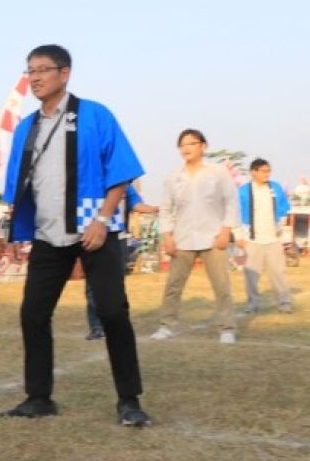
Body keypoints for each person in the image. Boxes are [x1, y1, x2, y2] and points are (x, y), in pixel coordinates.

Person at [0, 44, 150, 426]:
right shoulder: (26, 128)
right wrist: (15, 232)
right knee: (33, 313)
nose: (34, 77)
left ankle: (129, 400)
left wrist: (102, 218)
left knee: (113, 312)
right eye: (29, 70)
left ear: (64, 73)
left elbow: (121, 172)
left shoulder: (96, 115)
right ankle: (39, 397)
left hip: (94, 229)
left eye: (42, 70)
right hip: (49, 235)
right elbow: (20, 185)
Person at [151, 129, 240, 344]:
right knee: (173, 285)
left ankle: (227, 328)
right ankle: (166, 326)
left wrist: (226, 231)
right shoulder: (174, 177)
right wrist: (167, 236)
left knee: (221, 285)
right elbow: (165, 208)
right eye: (182, 145)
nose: (186, 148)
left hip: (213, 237)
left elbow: (231, 202)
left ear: (203, 146)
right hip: (183, 239)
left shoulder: (218, 172)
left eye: (191, 143)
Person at [83, 184, 157, 339]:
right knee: (92, 286)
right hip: (93, 237)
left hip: (118, 239)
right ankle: (96, 327)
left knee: (116, 285)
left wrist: (153, 209)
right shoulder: (93, 181)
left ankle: (118, 324)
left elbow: (136, 204)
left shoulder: (125, 186)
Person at [237, 158, 293, 314]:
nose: (267, 174)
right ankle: (252, 304)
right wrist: (239, 236)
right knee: (251, 275)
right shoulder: (243, 191)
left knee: (278, 273)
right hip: (252, 240)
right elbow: (237, 214)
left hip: (273, 239)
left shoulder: (275, 188)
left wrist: (281, 229)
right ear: (253, 172)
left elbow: (284, 209)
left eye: (269, 171)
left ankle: (284, 303)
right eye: (263, 171)